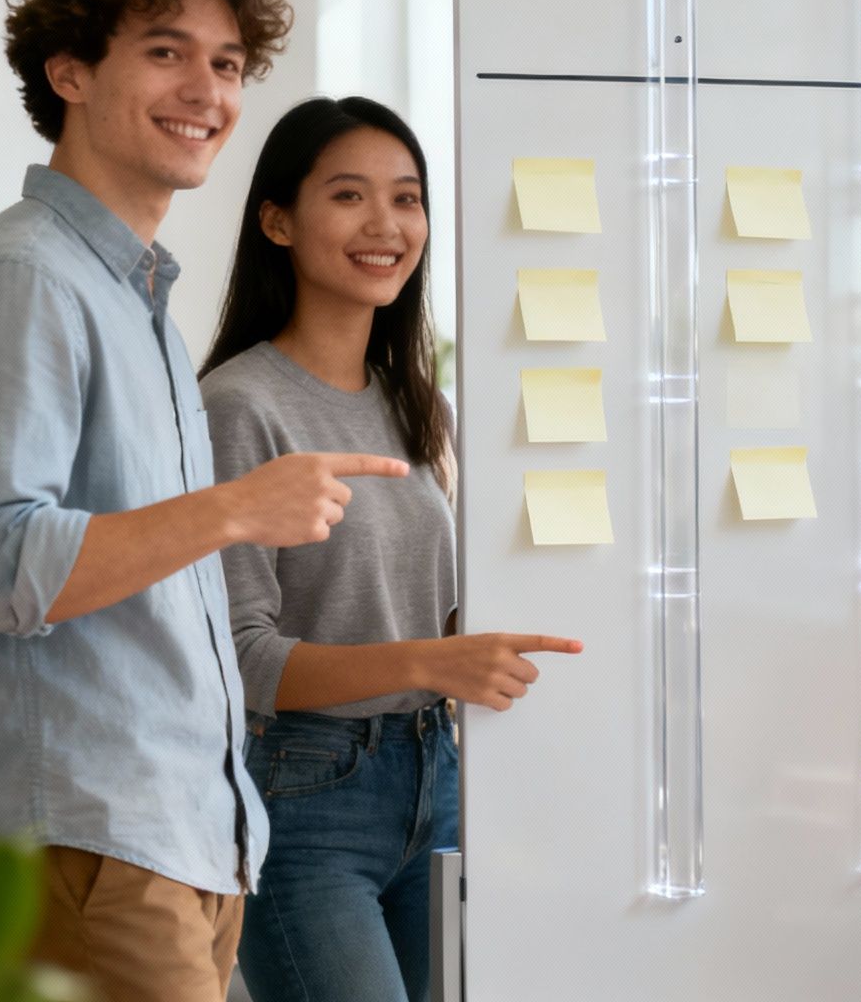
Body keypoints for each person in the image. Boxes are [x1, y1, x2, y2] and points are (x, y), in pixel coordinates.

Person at [0, 0, 409, 1002]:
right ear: (71, 71)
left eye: (227, 65)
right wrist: (233, 511)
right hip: (85, 843)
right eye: (167, 52)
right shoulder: (23, 281)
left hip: (179, 842)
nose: (208, 92)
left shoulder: (132, 299)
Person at [200, 96, 581, 1002]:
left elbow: (434, 606)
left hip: (439, 776)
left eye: (407, 199)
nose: (386, 225)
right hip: (303, 790)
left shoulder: (419, 404)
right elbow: (246, 662)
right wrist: (433, 660)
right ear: (278, 221)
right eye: (349, 197)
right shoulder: (239, 405)